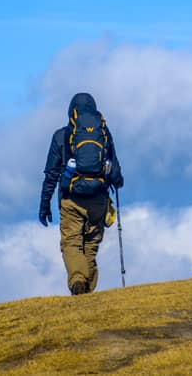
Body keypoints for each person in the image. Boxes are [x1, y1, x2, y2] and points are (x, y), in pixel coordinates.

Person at [39, 93, 124, 295]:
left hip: (71, 199)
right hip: (98, 199)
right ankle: (87, 291)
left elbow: (51, 174)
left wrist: (44, 205)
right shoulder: (103, 133)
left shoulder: (61, 136)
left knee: (72, 243)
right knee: (90, 247)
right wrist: (116, 183)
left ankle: (78, 281)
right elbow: (116, 171)